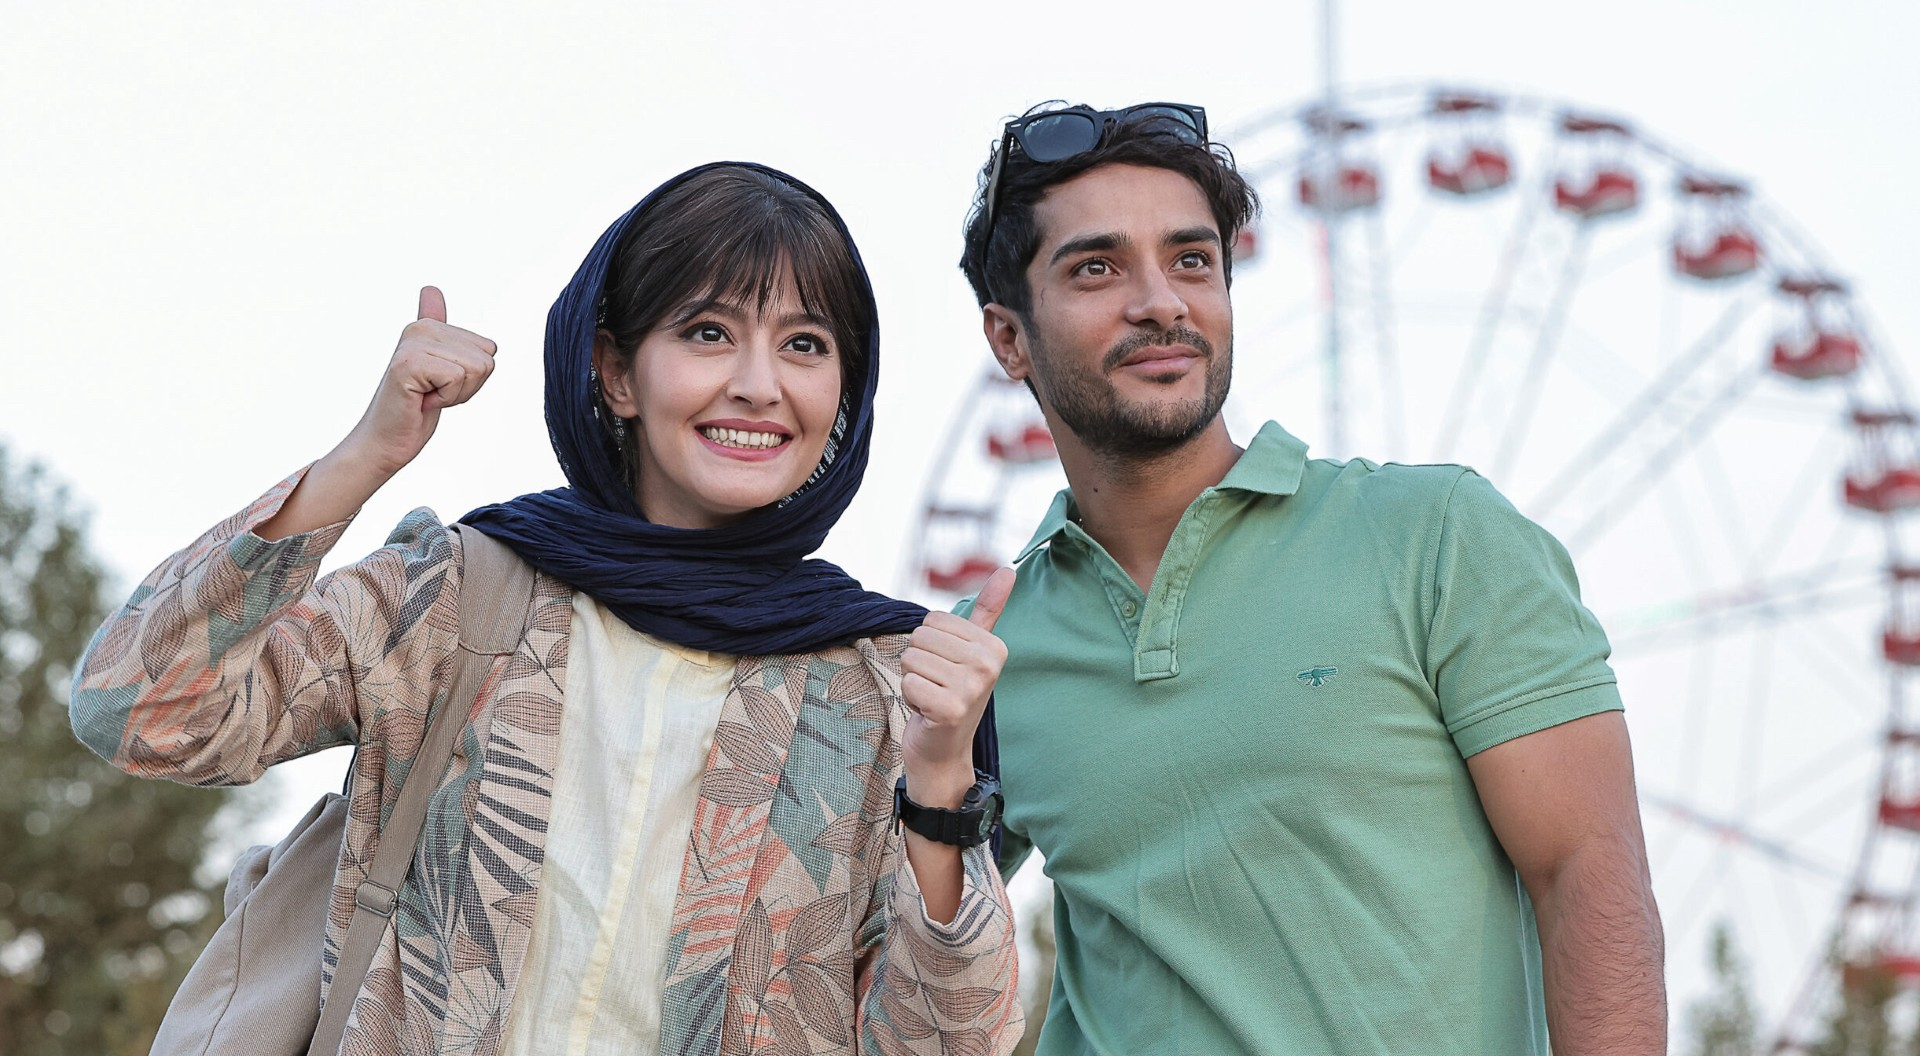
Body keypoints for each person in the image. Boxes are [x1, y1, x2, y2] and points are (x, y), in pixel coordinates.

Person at [71, 162, 1022, 1055]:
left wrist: (941, 786)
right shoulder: (458, 595)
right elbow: (141, 709)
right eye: (707, 332)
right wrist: (366, 455)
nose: (759, 384)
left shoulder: (878, 684)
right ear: (615, 372)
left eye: (805, 345)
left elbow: (953, 1042)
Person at [955, 103, 1665, 1055]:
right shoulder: (983, 655)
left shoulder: (1438, 537)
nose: (1161, 302)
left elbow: (1589, 873)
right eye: (1097, 268)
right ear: (1009, 339)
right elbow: (895, 963)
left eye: (1192, 260)